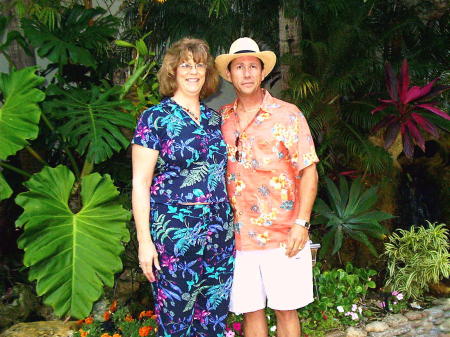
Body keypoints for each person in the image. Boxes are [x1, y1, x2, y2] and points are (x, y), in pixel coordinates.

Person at [215, 37, 319, 337]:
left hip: (285, 234)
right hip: (239, 236)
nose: (246, 73)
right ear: (230, 75)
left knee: (286, 311)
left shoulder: (288, 114)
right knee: (251, 312)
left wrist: (301, 223)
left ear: (262, 73)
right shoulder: (222, 118)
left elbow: (309, 171)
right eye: (239, 67)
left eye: (252, 67)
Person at [131, 37, 235, 337]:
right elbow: (140, 183)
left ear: (207, 73)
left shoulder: (216, 120)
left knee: (214, 317)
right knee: (175, 320)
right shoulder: (155, 119)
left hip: (219, 230)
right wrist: (144, 241)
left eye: (199, 65)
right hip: (175, 232)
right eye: (185, 65)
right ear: (173, 71)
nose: (193, 71)